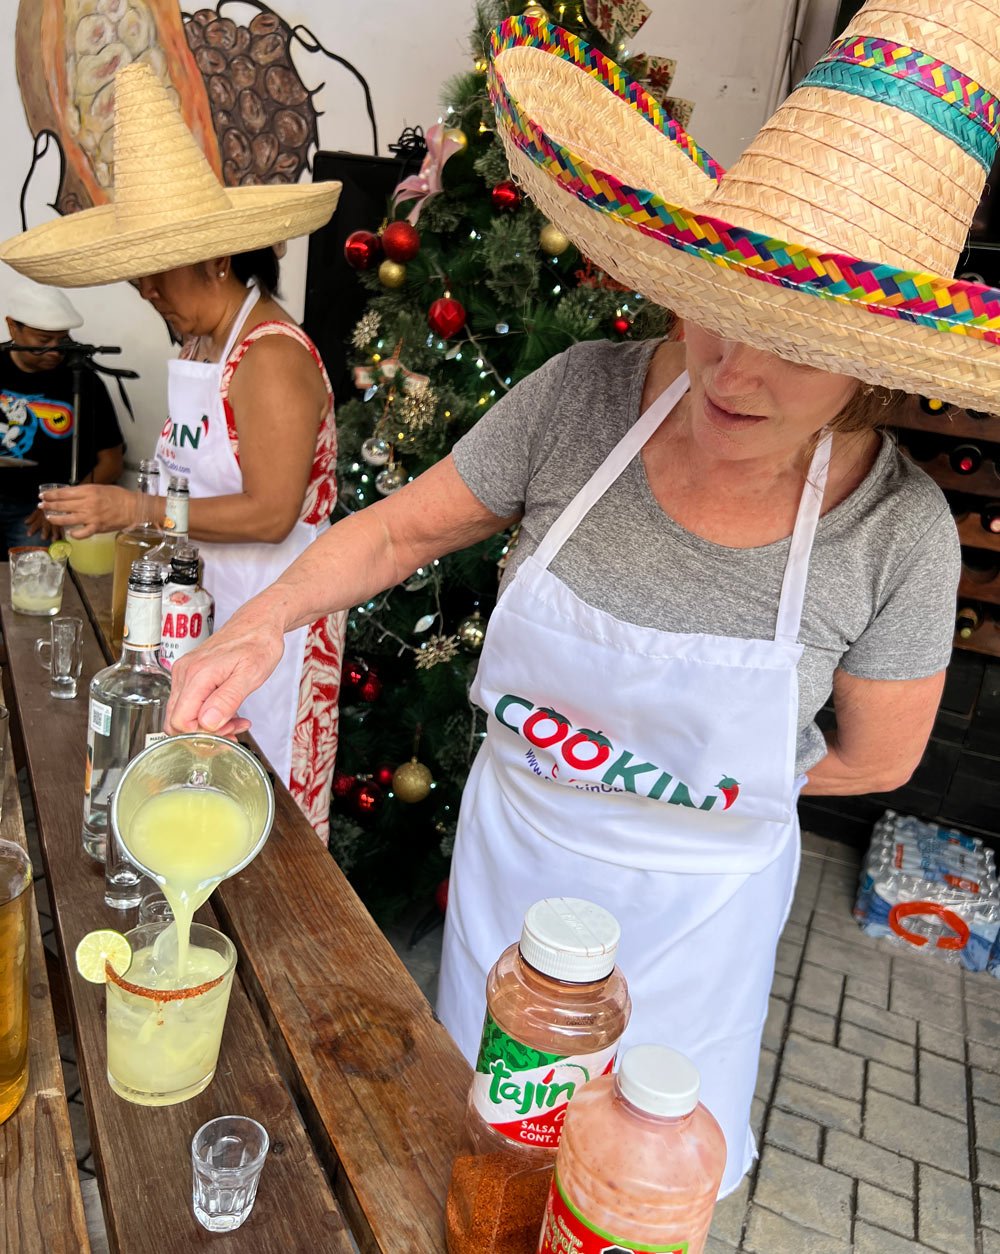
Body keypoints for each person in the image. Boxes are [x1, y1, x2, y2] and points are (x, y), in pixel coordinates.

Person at [49, 0, 980, 1195]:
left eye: (793, 339)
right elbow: (393, 531)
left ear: (880, 351)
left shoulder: (894, 533)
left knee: (623, 1190)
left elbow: (875, 759)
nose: (732, 370)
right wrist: (260, 621)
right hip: (516, 867)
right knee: (474, 1156)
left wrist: (674, 782)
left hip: (692, 928)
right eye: (716, 304)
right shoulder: (583, 398)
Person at [0, 62, 344, 838]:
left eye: (157, 276)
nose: (147, 294)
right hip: (210, 600)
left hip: (277, 613)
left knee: (263, 804)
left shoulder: (271, 355)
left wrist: (134, 506)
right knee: (198, 793)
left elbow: (269, 513)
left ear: (216, 258)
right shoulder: (203, 342)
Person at [0, 278, 124, 554]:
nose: (56, 350)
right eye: (44, 340)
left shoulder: (83, 380)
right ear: (12, 326)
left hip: (43, 511)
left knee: (37, 578)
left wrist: (63, 506)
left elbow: (112, 462)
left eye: (62, 339)